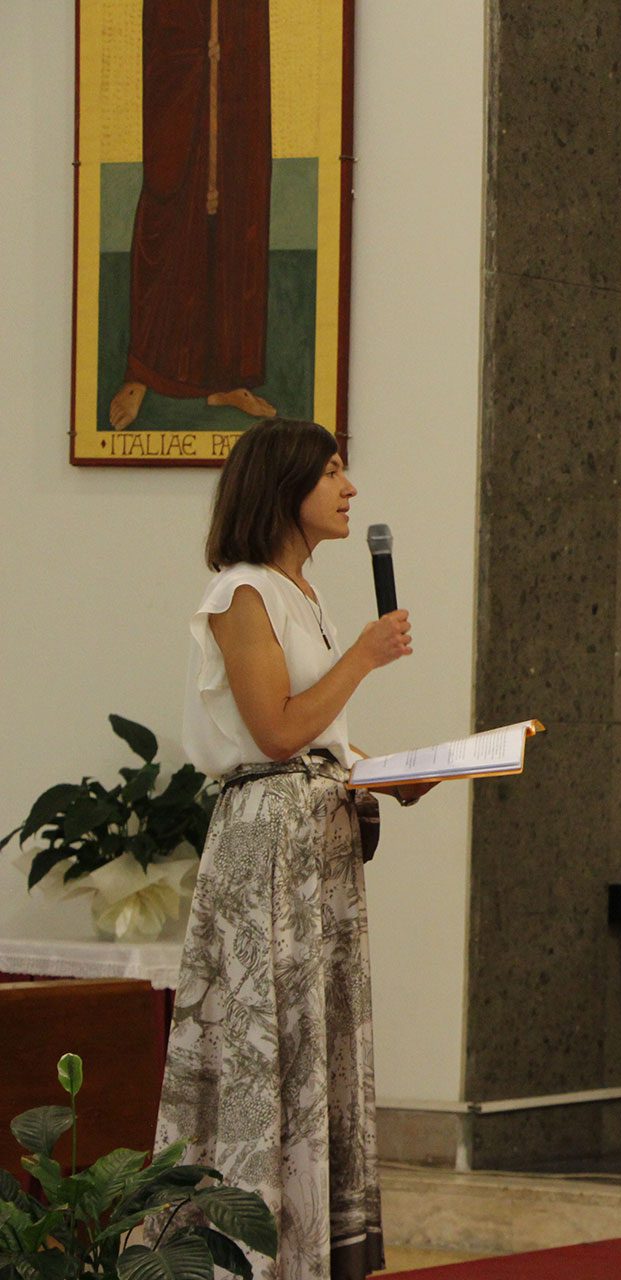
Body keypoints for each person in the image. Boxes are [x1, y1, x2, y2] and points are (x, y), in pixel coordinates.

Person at [158, 418, 424, 1280]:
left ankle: (312, 1247)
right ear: (286, 488)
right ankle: (247, 1249)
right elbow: (273, 733)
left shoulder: (301, 593)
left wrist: (388, 774)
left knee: (316, 1042)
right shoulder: (243, 592)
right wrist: (363, 658)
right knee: (266, 1044)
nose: (350, 490)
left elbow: (317, 741)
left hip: (316, 842)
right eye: (334, 473)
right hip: (266, 846)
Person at [108, 0, 278, 428]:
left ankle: (229, 375)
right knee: (170, 187)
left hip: (240, 26)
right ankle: (144, 369)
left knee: (241, 190)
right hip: (180, 26)